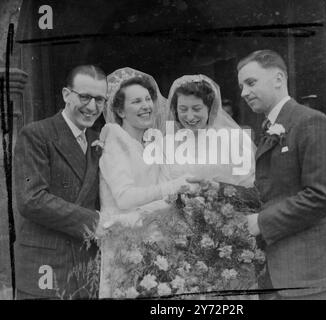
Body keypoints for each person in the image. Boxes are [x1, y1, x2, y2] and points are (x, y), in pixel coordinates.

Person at [237, 50, 326, 300]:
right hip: (277, 270)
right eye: (242, 86)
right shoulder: (270, 126)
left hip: (309, 273)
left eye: (251, 82)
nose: (243, 92)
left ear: (278, 78)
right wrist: (213, 188)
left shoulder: (310, 122)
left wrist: (261, 222)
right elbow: (270, 191)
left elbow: (323, 196)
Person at [13, 65, 108, 299]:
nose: (92, 107)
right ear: (67, 95)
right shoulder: (36, 134)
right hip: (46, 267)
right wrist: (96, 222)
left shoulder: (98, 141)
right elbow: (31, 199)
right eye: (84, 97)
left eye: (100, 99)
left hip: (86, 268)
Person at [98, 68, 194, 298]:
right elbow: (125, 197)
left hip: (153, 241)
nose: (147, 105)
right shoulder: (115, 140)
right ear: (120, 110)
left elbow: (166, 193)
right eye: (136, 101)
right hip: (124, 243)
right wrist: (171, 188)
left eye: (148, 99)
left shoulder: (152, 142)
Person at [161, 74, 255, 188]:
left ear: (210, 109)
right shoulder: (167, 144)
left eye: (197, 109)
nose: (190, 116)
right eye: (183, 109)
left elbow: (249, 186)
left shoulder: (234, 138)